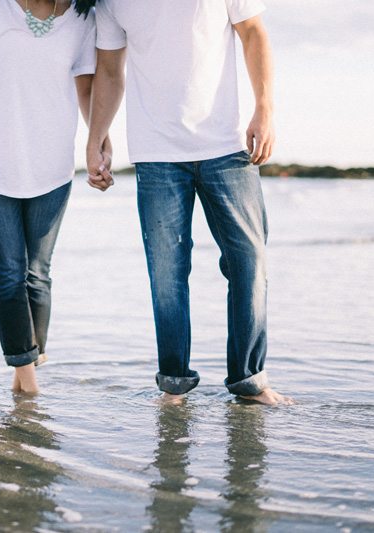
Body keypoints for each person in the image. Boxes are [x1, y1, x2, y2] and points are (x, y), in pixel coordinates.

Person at [85, 0, 292, 405]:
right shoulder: (109, 3)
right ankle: (174, 384)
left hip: (228, 145)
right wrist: (96, 137)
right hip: (156, 152)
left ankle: (249, 381)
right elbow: (110, 70)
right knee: (167, 274)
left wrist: (264, 108)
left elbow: (253, 33)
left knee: (249, 262)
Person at [0, 0, 107, 394]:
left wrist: (98, 142)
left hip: (53, 165)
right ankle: (30, 381)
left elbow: (86, 88)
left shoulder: (82, 17)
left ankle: (23, 374)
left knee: (37, 275)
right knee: (8, 273)